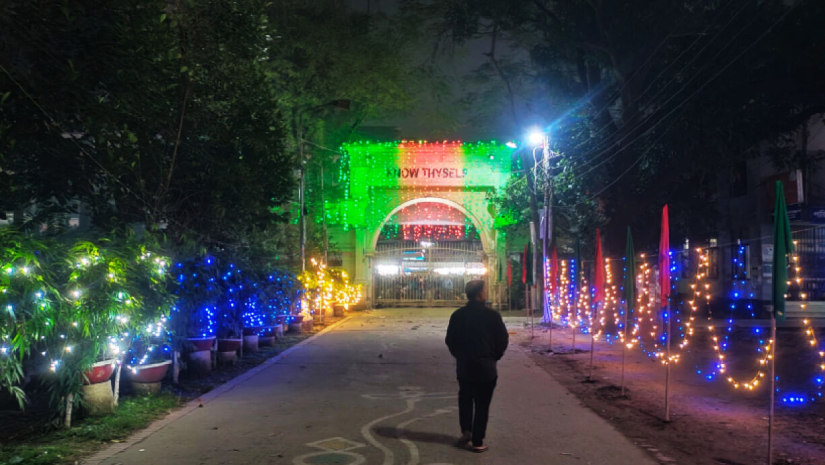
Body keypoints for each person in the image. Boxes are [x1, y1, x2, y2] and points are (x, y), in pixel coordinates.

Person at [445, 280, 509, 453]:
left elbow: (450, 341)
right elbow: (502, 340)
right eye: (485, 290)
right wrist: (493, 357)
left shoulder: (458, 315)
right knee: (482, 404)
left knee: (465, 398)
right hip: (486, 367)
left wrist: (460, 356)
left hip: (465, 365)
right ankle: (478, 440)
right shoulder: (492, 316)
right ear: (480, 294)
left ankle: (466, 430)